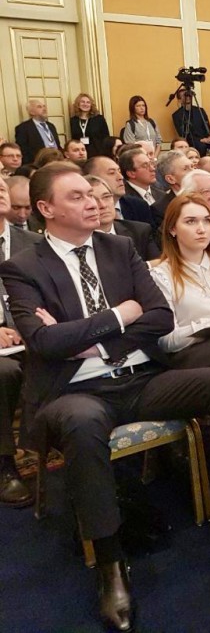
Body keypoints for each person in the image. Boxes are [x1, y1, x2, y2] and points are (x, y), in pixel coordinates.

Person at [0, 162, 210, 630]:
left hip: (140, 378)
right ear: (45, 208)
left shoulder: (118, 248)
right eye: (76, 196)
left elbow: (159, 318)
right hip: (76, 389)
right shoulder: (23, 267)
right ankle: (110, 564)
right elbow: (44, 343)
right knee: (83, 423)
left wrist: (91, 340)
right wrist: (119, 315)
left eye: (92, 194)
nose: (92, 202)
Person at [149, 194, 210, 368]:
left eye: (207, 221)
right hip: (196, 354)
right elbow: (165, 341)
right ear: (172, 229)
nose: (202, 229)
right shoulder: (161, 275)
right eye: (191, 221)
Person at [0, 176, 41, 507]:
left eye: (1, 187)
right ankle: (4, 463)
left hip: (33, 333)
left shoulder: (33, 242)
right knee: (5, 372)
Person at [86, 175, 159, 262]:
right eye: (93, 200)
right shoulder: (80, 240)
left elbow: (159, 265)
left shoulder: (139, 231)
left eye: (106, 197)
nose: (103, 205)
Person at [15, 98, 60, 163]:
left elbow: (57, 145)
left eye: (44, 106)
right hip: (38, 163)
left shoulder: (51, 126)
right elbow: (23, 150)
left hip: (57, 161)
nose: (44, 109)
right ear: (32, 112)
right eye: (39, 107)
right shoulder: (23, 128)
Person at [171, 90, 210, 156]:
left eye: (188, 95)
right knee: (201, 147)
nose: (187, 97)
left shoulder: (200, 110)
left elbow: (207, 125)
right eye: (184, 95)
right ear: (179, 100)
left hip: (207, 139)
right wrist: (201, 140)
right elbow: (182, 133)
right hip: (192, 141)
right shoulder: (177, 115)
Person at [69, 93, 111, 159]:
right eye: (82, 102)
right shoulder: (74, 120)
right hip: (80, 153)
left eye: (88, 102)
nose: (85, 104)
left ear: (91, 105)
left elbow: (106, 137)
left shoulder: (99, 119)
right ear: (78, 104)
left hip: (97, 152)